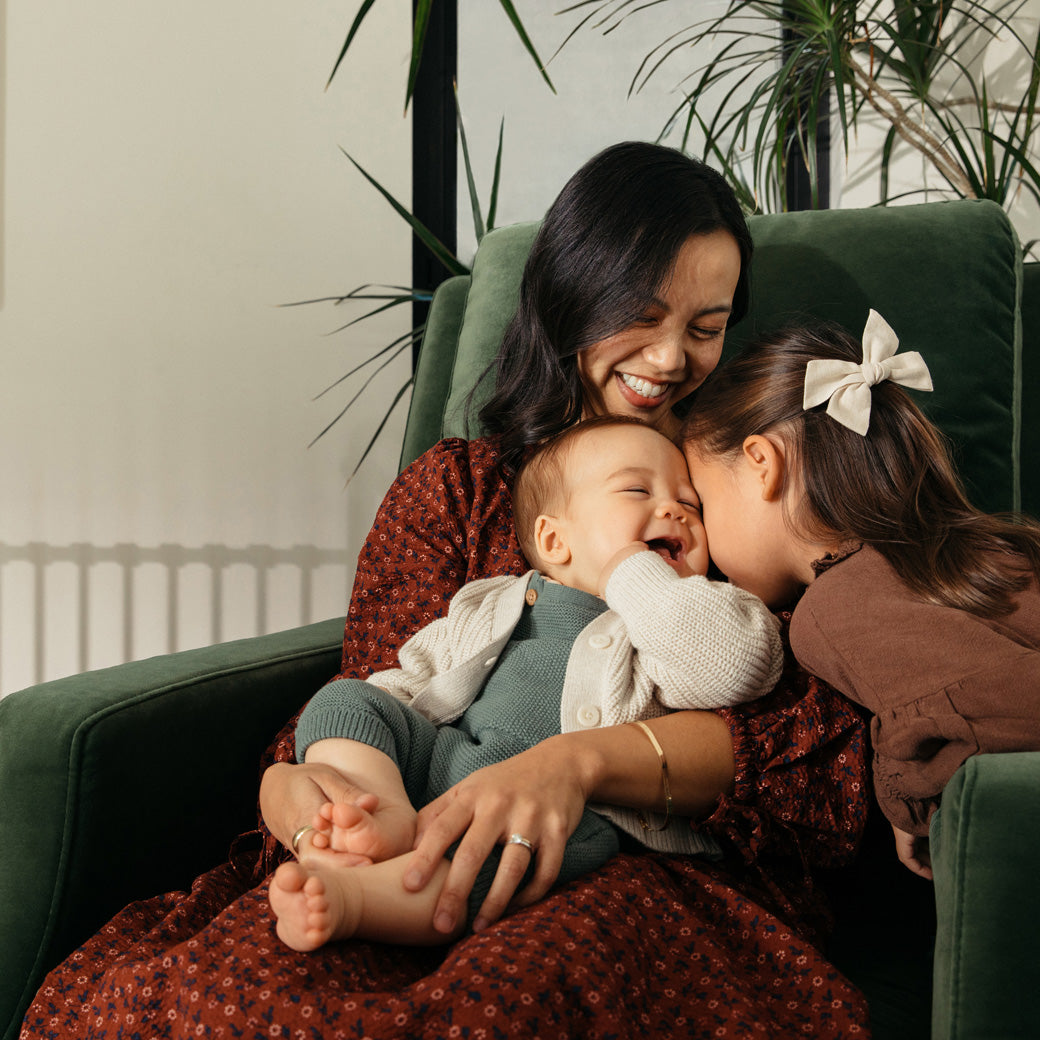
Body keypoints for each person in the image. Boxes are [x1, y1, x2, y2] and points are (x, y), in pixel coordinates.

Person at [20, 142, 871, 1040]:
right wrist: (307, 800)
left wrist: (569, 766)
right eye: (643, 314)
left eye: (706, 327)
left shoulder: (727, 482)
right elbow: (382, 691)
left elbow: (801, 734)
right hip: (408, 832)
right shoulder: (458, 490)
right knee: (219, 997)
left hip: (631, 862)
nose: (669, 357)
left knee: (502, 1002)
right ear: (572, 296)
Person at [269, 416, 784, 950]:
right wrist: (377, 740)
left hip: (568, 814)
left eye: (690, 504)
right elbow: (412, 680)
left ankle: (357, 899)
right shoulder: (492, 603)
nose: (675, 510)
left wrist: (636, 575)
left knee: (507, 863)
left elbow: (735, 666)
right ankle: (378, 813)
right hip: (441, 760)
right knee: (348, 699)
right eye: (638, 490)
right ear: (554, 539)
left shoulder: (671, 621)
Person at [682, 309, 1040, 881]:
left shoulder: (831, 609)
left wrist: (902, 787)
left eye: (701, 501)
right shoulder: (981, 546)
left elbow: (1001, 716)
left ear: (761, 464)